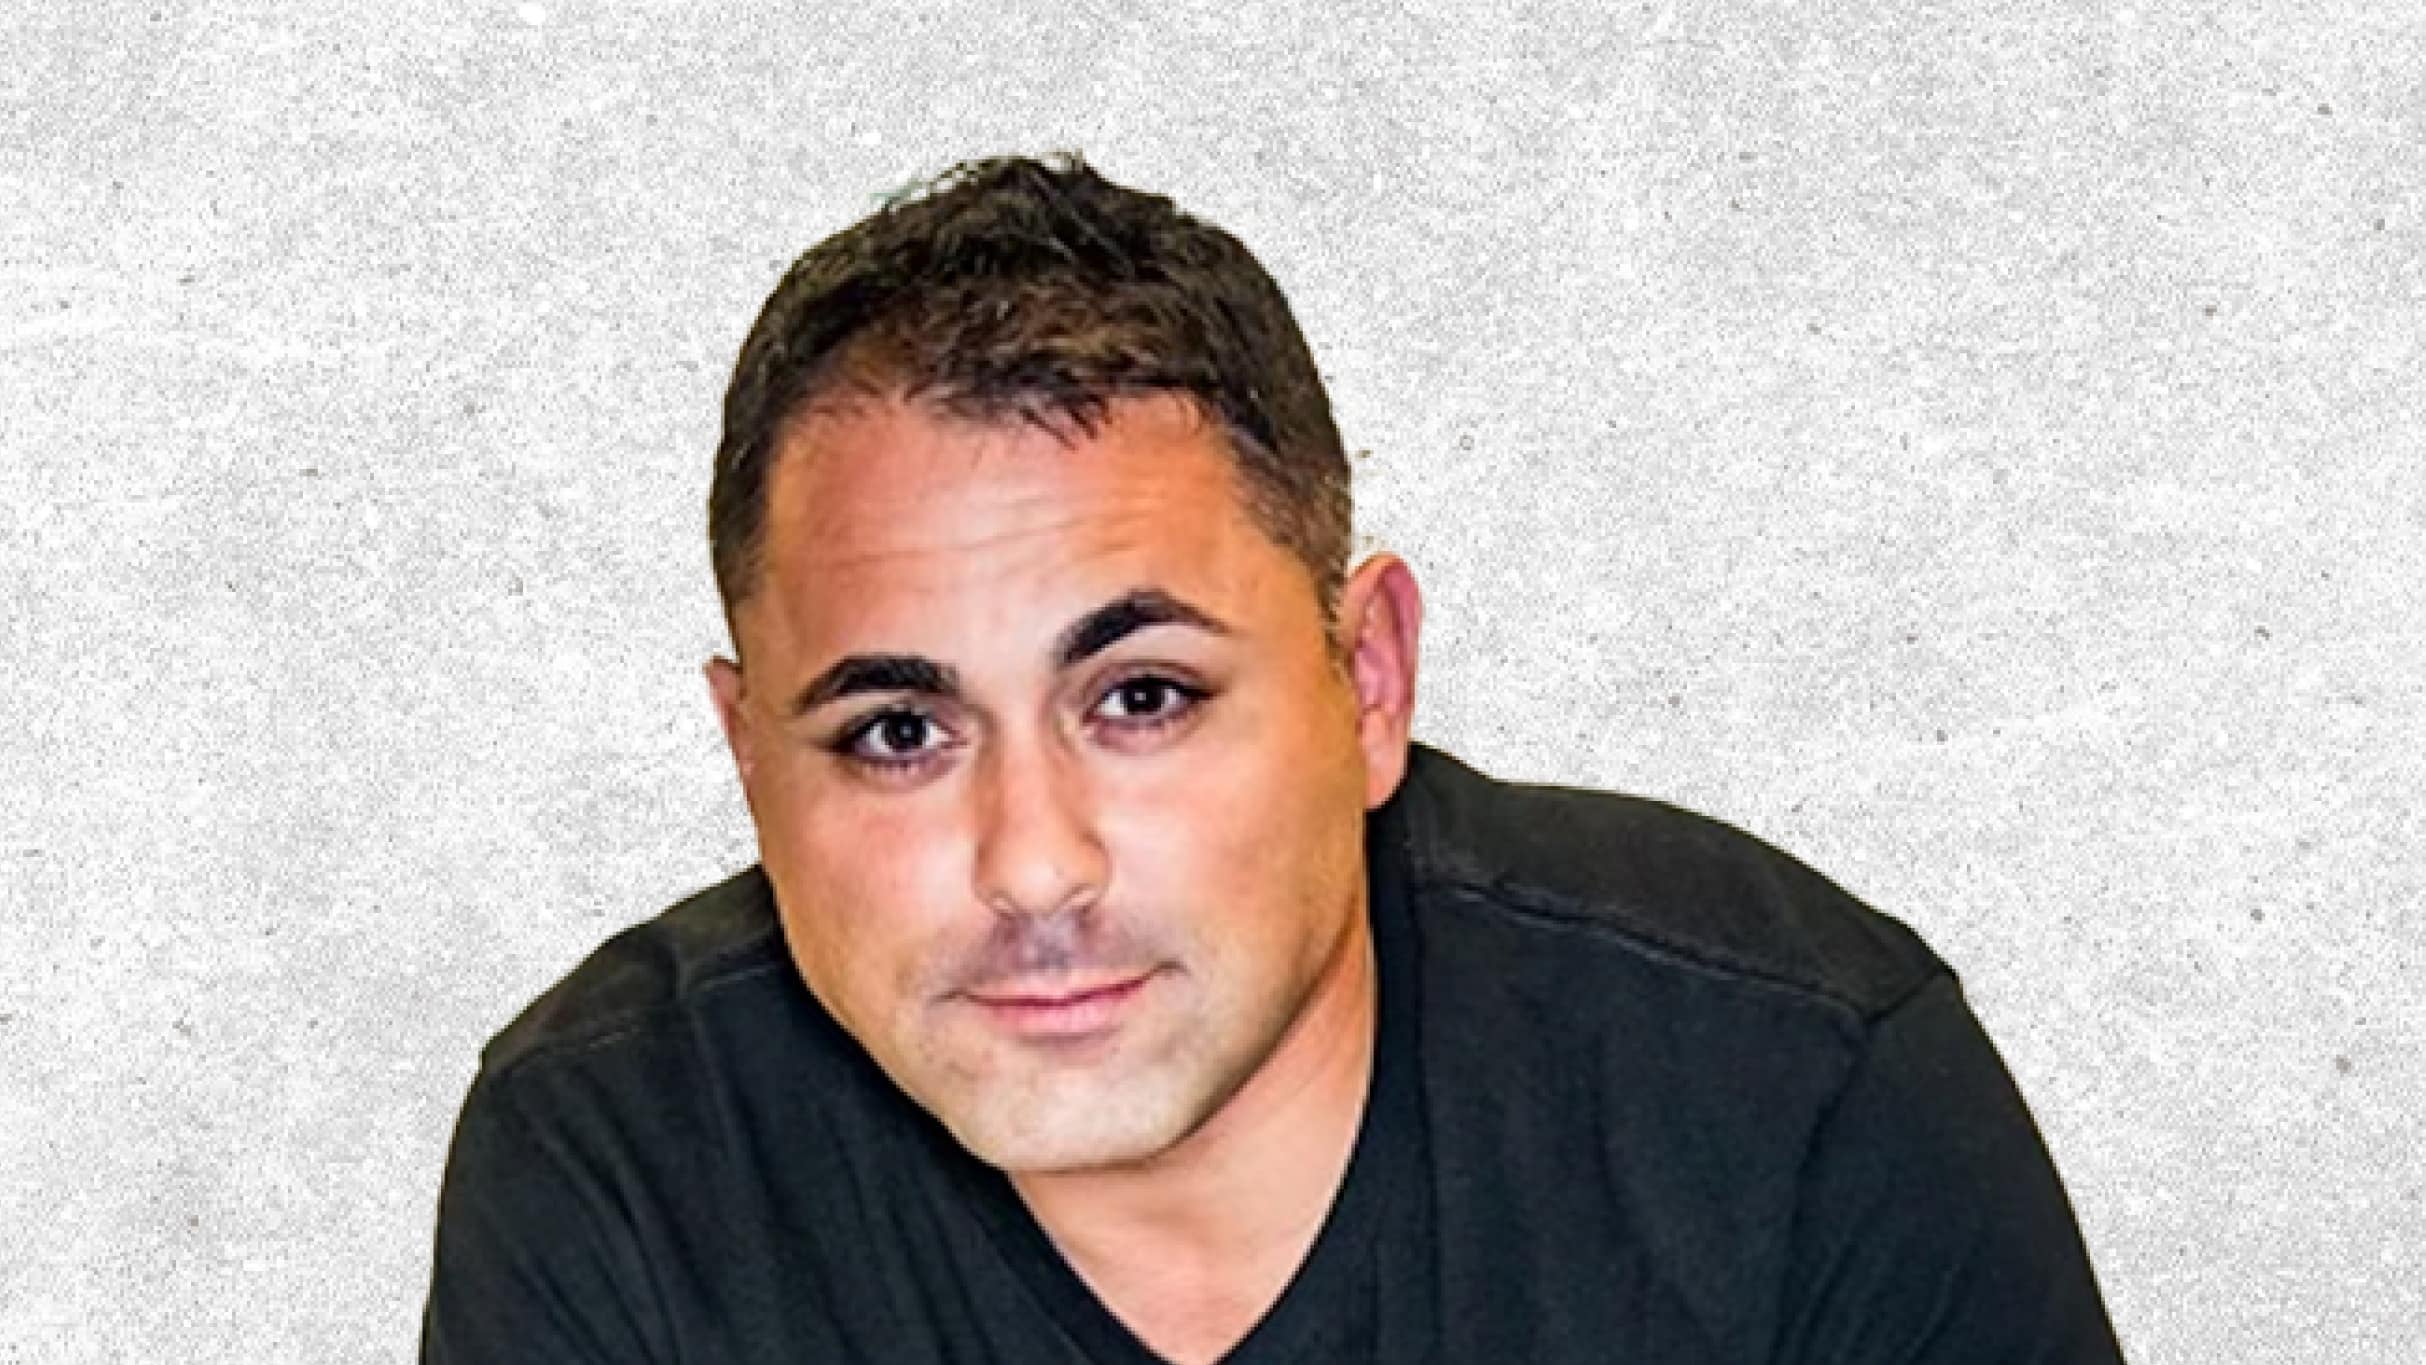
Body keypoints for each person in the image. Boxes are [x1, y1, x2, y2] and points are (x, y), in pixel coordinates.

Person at [420, 153, 2124, 1364]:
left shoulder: (1788, 1088)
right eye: (898, 733)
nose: (1033, 860)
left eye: (1141, 696)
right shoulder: (617, 1161)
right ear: (748, 759)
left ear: (1366, 678)